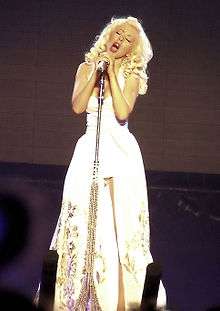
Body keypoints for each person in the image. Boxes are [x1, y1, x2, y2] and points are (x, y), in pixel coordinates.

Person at [49, 16, 166, 310]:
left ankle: (120, 297)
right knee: (83, 214)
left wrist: (113, 71)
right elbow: (77, 106)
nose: (120, 39)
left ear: (132, 49)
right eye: (117, 33)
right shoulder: (86, 68)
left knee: (118, 220)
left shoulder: (133, 75)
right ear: (107, 34)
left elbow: (123, 112)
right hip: (90, 147)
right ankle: (80, 290)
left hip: (121, 152)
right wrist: (97, 71)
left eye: (128, 39)